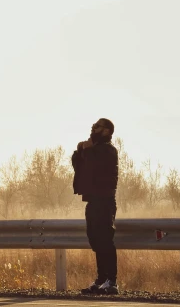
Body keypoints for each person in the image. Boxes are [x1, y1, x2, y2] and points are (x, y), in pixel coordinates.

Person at [72, 118, 119, 295]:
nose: (93, 127)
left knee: (106, 240)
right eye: (93, 125)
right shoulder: (93, 149)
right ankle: (101, 280)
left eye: (98, 126)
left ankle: (111, 281)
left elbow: (94, 167)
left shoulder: (108, 151)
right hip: (92, 201)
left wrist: (88, 149)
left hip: (105, 201)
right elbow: (80, 168)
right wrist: (79, 151)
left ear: (106, 131)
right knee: (95, 240)